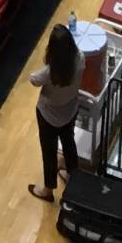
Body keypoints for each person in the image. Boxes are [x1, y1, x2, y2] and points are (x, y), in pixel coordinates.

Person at [27, 24, 85, 203]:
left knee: (49, 152)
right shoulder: (80, 58)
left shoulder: (49, 72)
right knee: (69, 142)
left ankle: (48, 189)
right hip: (70, 110)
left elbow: (33, 79)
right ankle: (72, 175)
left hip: (48, 116)